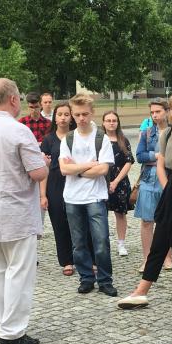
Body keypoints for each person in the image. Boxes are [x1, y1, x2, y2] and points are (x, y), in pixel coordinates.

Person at [0, 78, 48, 344]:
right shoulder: (19, 130)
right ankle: (12, 331)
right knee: (19, 272)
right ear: (13, 99)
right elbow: (37, 173)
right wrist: (44, 162)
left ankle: (4, 323)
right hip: (16, 212)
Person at [117, 87, 172, 311]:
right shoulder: (167, 134)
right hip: (170, 188)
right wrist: (167, 188)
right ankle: (141, 291)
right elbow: (160, 164)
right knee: (160, 240)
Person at [59, 93, 117, 297]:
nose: (81, 118)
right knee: (78, 243)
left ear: (92, 113)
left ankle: (105, 280)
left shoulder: (102, 138)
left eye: (84, 114)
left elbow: (103, 169)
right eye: (77, 114)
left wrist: (77, 169)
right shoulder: (68, 139)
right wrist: (89, 165)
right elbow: (64, 169)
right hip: (72, 197)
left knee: (101, 242)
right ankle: (86, 278)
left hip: (95, 197)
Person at [40, 103, 76, 276]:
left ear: (71, 117)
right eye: (59, 114)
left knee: (78, 220)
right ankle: (67, 260)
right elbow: (44, 169)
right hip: (55, 183)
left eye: (66, 114)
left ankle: (85, 257)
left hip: (75, 181)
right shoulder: (48, 140)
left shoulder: (77, 137)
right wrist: (42, 195)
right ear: (55, 118)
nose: (63, 118)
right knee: (59, 223)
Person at [135, 99, 169, 271]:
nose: (155, 115)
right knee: (147, 221)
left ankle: (167, 257)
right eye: (152, 112)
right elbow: (139, 156)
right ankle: (147, 259)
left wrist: (159, 159)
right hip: (148, 180)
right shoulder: (147, 133)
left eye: (158, 111)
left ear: (167, 111)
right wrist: (157, 156)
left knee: (167, 220)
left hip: (168, 179)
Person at [102, 110, 134, 256]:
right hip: (101, 181)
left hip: (120, 182)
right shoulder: (99, 140)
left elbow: (129, 162)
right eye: (108, 120)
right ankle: (102, 243)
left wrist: (115, 181)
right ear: (103, 123)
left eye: (114, 120)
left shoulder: (123, 140)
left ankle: (121, 243)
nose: (111, 123)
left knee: (120, 214)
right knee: (100, 214)